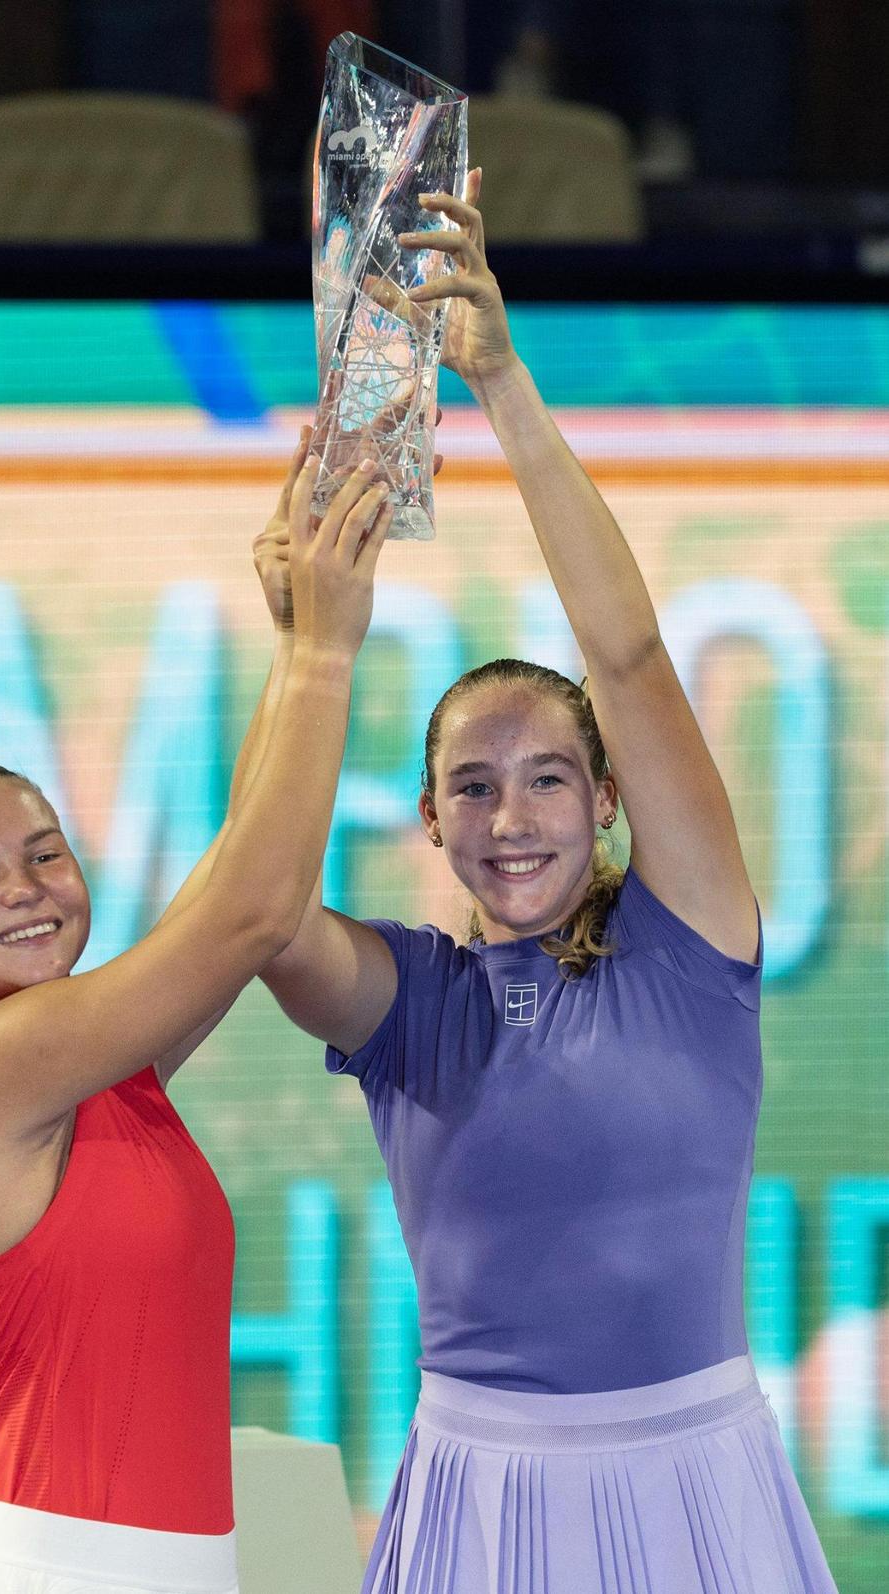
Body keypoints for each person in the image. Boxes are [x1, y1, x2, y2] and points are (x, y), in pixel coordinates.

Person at [259, 173, 838, 1592]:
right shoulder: (410, 1002)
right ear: (430, 818)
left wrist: (502, 380)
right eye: (472, 783)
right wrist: (307, 654)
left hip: (704, 1483)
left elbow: (629, 661)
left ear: (611, 799)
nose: (510, 816)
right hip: (480, 1497)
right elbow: (261, 914)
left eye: (547, 776)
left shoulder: (694, 937)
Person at [0, 444, 391, 1594]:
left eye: (45, 852)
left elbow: (229, 890)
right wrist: (328, 653)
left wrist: (292, 639)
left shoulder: (96, 1072)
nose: (23, 887)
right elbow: (249, 917)